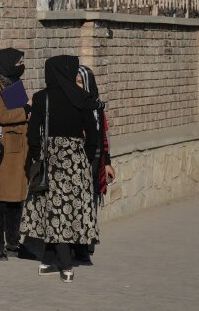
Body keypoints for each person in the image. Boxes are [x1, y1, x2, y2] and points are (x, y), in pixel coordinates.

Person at [20, 55, 100, 283]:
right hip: (75, 162)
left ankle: (50, 262)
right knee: (66, 211)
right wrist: (83, 157)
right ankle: (64, 265)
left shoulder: (41, 98)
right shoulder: (82, 98)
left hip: (51, 161)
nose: (76, 75)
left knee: (54, 210)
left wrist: (39, 155)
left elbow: (33, 135)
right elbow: (92, 135)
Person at [0, 48, 30, 260]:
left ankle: (13, 243)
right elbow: (2, 115)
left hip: (19, 151)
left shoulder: (13, 84)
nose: (21, 65)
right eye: (18, 61)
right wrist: (27, 111)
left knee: (16, 200)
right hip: (3, 152)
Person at [73, 65, 116, 262]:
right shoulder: (72, 104)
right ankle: (76, 243)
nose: (77, 86)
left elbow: (103, 136)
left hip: (95, 160)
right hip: (76, 159)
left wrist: (107, 162)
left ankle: (87, 241)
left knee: (91, 200)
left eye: (81, 82)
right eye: (75, 82)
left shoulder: (97, 107)